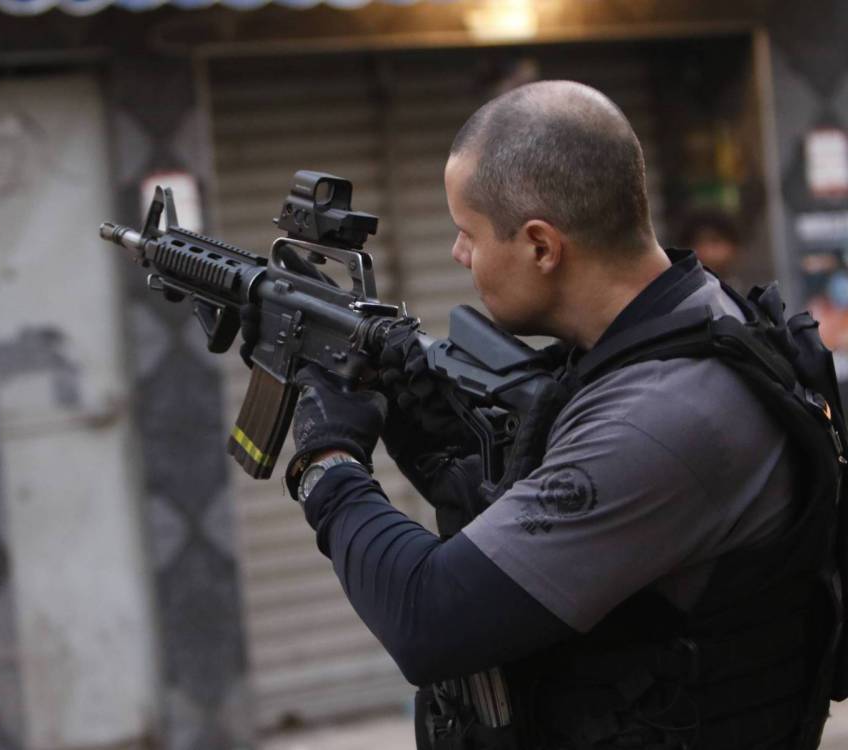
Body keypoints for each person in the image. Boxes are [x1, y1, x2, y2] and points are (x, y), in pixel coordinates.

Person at [271, 81, 844, 749]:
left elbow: (429, 622)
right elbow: (572, 535)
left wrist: (328, 461)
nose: (458, 255)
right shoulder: (687, 321)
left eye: (468, 233)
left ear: (542, 246)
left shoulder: (661, 417)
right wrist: (430, 442)